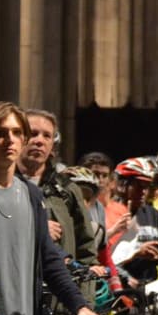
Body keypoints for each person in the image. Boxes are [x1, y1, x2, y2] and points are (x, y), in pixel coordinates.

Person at [0, 102, 96, 315]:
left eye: (17, 132)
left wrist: (79, 306)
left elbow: (48, 257)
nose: (10, 139)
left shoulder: (31, 195)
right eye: (0, 133)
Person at [21, 110, 99, 266]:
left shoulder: (67, 189)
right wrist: (37, 228)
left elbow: (86, 249)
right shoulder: (1, 185)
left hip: (60, 284)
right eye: (33, 133)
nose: (39, 141)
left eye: (47, 136)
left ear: (52, 146)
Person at [109, 157, 158, 284]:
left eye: (146, 186)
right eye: (138, 186)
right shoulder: (109, 214)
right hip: (117, 286)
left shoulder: (154, 216)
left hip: (147, 286)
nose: (143, 192)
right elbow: (105, 256)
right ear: (123, 185)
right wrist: (137, 253)